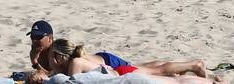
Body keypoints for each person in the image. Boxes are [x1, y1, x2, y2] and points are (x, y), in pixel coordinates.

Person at [38, 38, 215, 80]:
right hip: (107, 61)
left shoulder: (74, 65)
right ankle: (189, 67)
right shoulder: (72, 60)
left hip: (114, 68)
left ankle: (193, 65)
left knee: (156, 71)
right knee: (151, 67)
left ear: (57, 57)